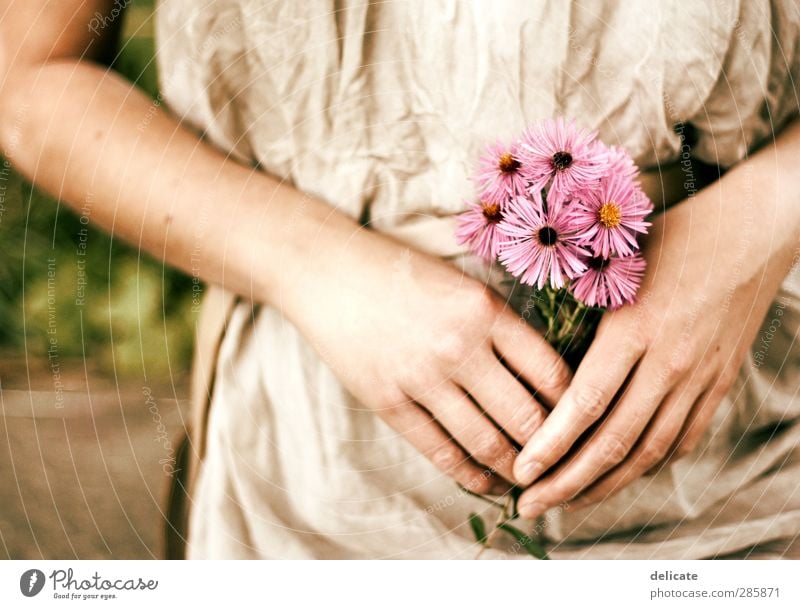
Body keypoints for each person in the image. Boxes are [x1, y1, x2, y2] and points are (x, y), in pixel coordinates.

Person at [2, 0, 799, 559]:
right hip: (318, 492)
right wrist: (310, 262)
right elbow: (27, 80)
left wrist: (758, 224)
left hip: (739, 478)